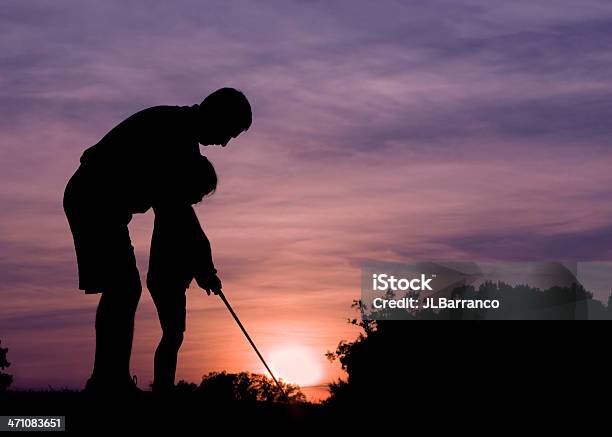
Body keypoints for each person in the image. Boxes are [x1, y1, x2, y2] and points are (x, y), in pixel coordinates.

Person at [62, 88, 251, 393]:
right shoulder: (176, 136)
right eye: (229, 132)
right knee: (122, 287)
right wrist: (203, 267)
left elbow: (176, 209)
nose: (225, 142)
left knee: (122, 288)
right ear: (218, 115)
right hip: (92, 198)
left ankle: (109, 380)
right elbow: (174, 211)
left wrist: (201, 264)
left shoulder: (181, 134)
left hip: (105, 205)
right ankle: (108, 382)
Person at [147, 156, 221, 393]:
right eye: (200, 191)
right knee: (173, 334)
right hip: (166, 279)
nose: (200, 198)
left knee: (174, 334)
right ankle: (163, 388)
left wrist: (205, 274)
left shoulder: (175, 208)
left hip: (172, 280)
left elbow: (197, 247)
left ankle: (164, 386)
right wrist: (206, 275)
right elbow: (194, 246)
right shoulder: (174, 209)